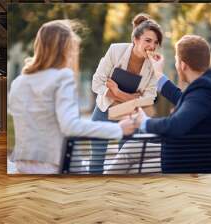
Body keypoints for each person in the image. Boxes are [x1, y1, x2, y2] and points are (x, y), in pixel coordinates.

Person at [8, 20, 136, 174]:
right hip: (57, 166)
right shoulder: (62, 77)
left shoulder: (18, 82)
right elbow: (70, 126)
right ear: (65, 49)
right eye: (72, 48)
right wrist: (118, 129)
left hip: (23, 166)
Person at [106, 34, 211, 174]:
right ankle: (106, 188)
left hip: (186, 159)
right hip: (186, 149)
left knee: (131, 170)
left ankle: (107, 190)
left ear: (183, 65)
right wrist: (158, 74)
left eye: (176, 61)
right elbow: (184, 100)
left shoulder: (203, 89)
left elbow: (175, 126)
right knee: (130, 148)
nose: (176, 65)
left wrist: (143, 122)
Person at [89, 13, 163, 173]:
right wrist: (133, 98)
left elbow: (149, 100)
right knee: (96, 159)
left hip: (130, 116)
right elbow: (96, 83)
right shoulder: (115, 51)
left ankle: (121, 194)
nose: (152, 46)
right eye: (148, 41)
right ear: (136, 39)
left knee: (126, 161)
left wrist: (116, 91)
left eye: (156, 43)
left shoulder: (153, 66)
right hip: (104, 110)